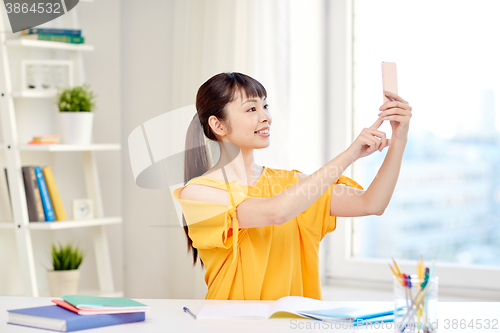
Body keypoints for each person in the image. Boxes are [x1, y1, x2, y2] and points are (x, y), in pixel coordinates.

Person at [172, 72, 412, 300]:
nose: (266, 117)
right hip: (231, 324)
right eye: (252, 109)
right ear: (218, 125)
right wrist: (350, 154)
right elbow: (276, 212)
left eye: (265, 106)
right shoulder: (198, 192)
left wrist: (399, 139)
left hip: (294, 324)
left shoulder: (292, 184)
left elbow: (371, 203)